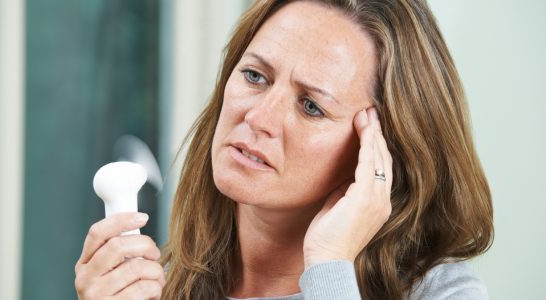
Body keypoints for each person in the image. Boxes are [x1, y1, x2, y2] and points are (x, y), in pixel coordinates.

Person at [74, 0, 493, 299]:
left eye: (311, 106)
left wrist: (329, 266)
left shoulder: (441, 294)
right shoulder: (152, 290)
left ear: (378, 152)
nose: (259, 117)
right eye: (255, 76)